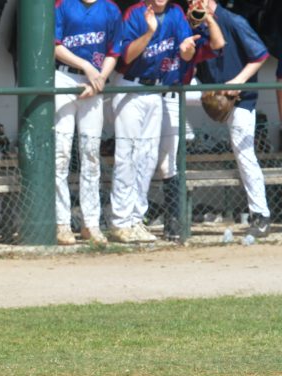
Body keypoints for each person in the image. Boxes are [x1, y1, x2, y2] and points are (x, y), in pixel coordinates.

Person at [108, 0, 196, 243]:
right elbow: (126, 55)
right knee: (127, 155)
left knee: (147, 158)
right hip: (130, 86)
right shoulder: (135, 13)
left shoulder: (176, 13)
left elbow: (186, 53)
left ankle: (136, 219)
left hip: (156, 90)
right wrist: (149, 32)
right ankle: (120, 221)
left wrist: (188, 49)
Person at [196, 0, 271, 237]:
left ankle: (261, 215)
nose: (192, 4)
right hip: (215, 94)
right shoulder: (200, 25)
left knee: (245, 155)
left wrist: (238, 82)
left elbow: (260, 55)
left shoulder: (233, 21)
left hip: (241, 99)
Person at [53, 0, 123, 246]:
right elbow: (54, 45)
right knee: (60, 154)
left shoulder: (110, 8)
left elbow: (115, 51)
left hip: (96, 81)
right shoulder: (63, 4)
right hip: (64, 76)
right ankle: (61, 223)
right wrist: (86, 67)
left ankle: (90, 223)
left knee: (91, 155)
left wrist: (100, 78)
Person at [155, 0, 224, 242]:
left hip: (174, 96)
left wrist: (207, 18)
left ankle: (172, 221)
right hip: (148, 93)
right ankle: (132, 219)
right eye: (191, 3)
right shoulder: (167, 21)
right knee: (139, 159)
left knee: (168, 163)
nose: (195, 5)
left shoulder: (195, 32)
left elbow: (218, 43)